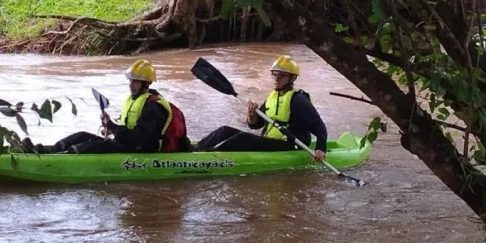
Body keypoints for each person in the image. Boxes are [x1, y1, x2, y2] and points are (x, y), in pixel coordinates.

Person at [20, 59, 190, 154]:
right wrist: (109, 127)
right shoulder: (134, 100)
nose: (131, 85)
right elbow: (127, 129)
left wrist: (112, 127)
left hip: (142, 150)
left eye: (135, 81)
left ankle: (59, 159)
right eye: (130, 80)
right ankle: (41, 150)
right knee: (81, 135)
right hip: (128, 144)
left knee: (91, 147)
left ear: (146, 83)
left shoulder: (153, 107)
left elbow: (139, 139)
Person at [196, 56, 327, 161]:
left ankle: (203, 158)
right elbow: (256, 125)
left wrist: (321, 149)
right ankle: (195, 149)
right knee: (226, 132)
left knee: (233, 136)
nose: (276, 78)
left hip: (290, 145)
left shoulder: (298, 100)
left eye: (281, 75)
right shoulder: (273, 96)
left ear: (292, 78)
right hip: (271, 142)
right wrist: (251, 116)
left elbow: (319, 126)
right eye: (274, 74)